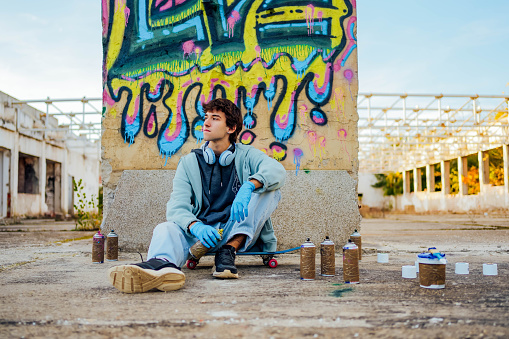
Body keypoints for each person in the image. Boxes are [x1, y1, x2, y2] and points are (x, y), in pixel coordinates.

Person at [108, 98, 286, 293]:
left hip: (236, 231)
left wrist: (249, 185)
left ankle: (227, 251)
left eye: (215, 118)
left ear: (232, 128)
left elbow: (276, 170)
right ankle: (161, 266)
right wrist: (196, 226)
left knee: (269, 189)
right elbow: (177, 206)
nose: (206, 123)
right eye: (206, 117)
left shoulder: (247, 155)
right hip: (201, 237)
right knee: (165, 227)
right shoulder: (189, 162)